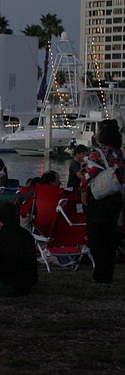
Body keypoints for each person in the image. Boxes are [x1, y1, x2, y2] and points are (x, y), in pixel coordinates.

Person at [80, 119, 125, 283]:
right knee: (109, 237)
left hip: (99, 198)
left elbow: (88, 173)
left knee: (96, 237)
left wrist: (84, 192)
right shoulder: (119, 153)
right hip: (115, 197)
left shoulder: (97, 153)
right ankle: (108, 274)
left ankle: (99, 274)